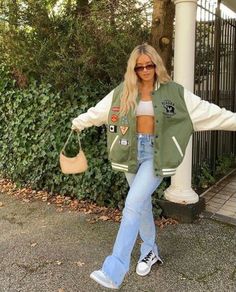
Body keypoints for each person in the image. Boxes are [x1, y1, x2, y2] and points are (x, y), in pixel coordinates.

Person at [71, 43, 236, 289]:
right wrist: (79, 122)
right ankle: (150, 250)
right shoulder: (123, 91)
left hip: (155, 155)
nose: (146, 70)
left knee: (132, 203)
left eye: (150, 65)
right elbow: (100, 111)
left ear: (157, 64)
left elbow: (211, 112)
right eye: (140, 67)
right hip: (129, 153)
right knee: (142, 203)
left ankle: (114, 270)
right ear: (133, 69)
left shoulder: (175, 92)